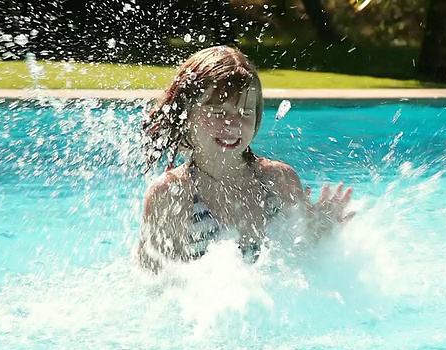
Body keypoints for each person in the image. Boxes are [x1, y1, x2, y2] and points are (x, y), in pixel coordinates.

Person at [135, 45, 355, 272]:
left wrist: (318, 234)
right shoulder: (172, 194)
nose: (233, 124)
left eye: (245, 112)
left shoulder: (278, 181)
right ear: (187, 114)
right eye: (219, 112)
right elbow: (156, 287)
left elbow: (300, 268)